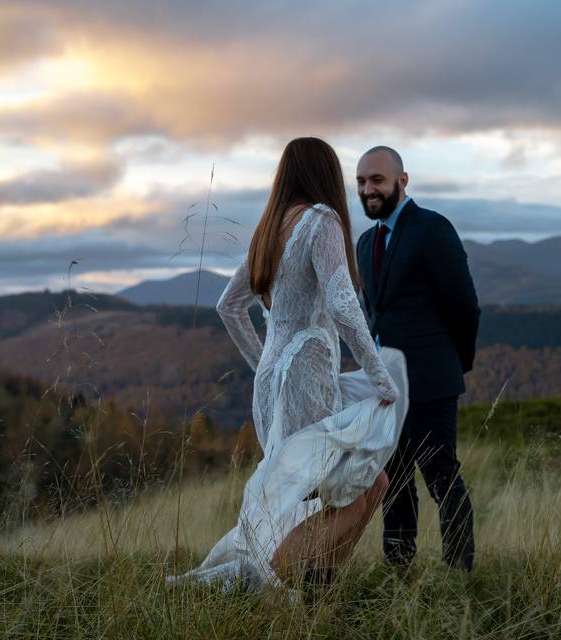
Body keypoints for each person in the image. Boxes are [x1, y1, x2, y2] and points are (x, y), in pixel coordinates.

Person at [169, 137, 409, 590]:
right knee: (356, 485)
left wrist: (267, 364)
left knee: (327, 491)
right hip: (307, 375)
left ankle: (309, 589)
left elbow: (229, 306)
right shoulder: (322, 221)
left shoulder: (269, 228)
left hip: (275, 383)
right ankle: (268, 583)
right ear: (325, 174)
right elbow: (341, 305)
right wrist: (379, 376)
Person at [355, 146, 480, 571]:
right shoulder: (365, 242)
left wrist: (452, 366)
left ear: (402, 181)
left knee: (442, 479)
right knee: (393, 482)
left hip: (430, 380)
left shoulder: (432, 229)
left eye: (377, 180)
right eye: (361, 182)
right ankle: (398, 571)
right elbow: (373, 314)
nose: (368, 190)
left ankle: (460, 575)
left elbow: (464, 306)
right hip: (385, 387)